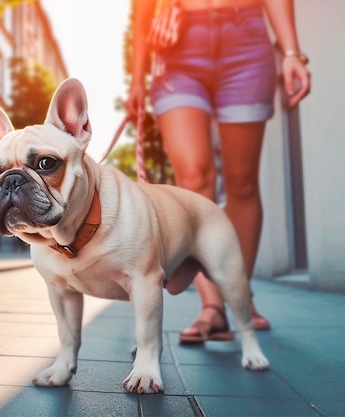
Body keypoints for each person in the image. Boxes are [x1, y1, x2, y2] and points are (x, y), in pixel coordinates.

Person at [126, 0, 311, 343]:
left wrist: (292, 52)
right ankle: (213, 307)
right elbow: (143, 10)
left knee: (241, 182)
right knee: (194, 178)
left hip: (246, 41)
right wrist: (137, 79)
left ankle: (239, 294)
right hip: (178, 49)